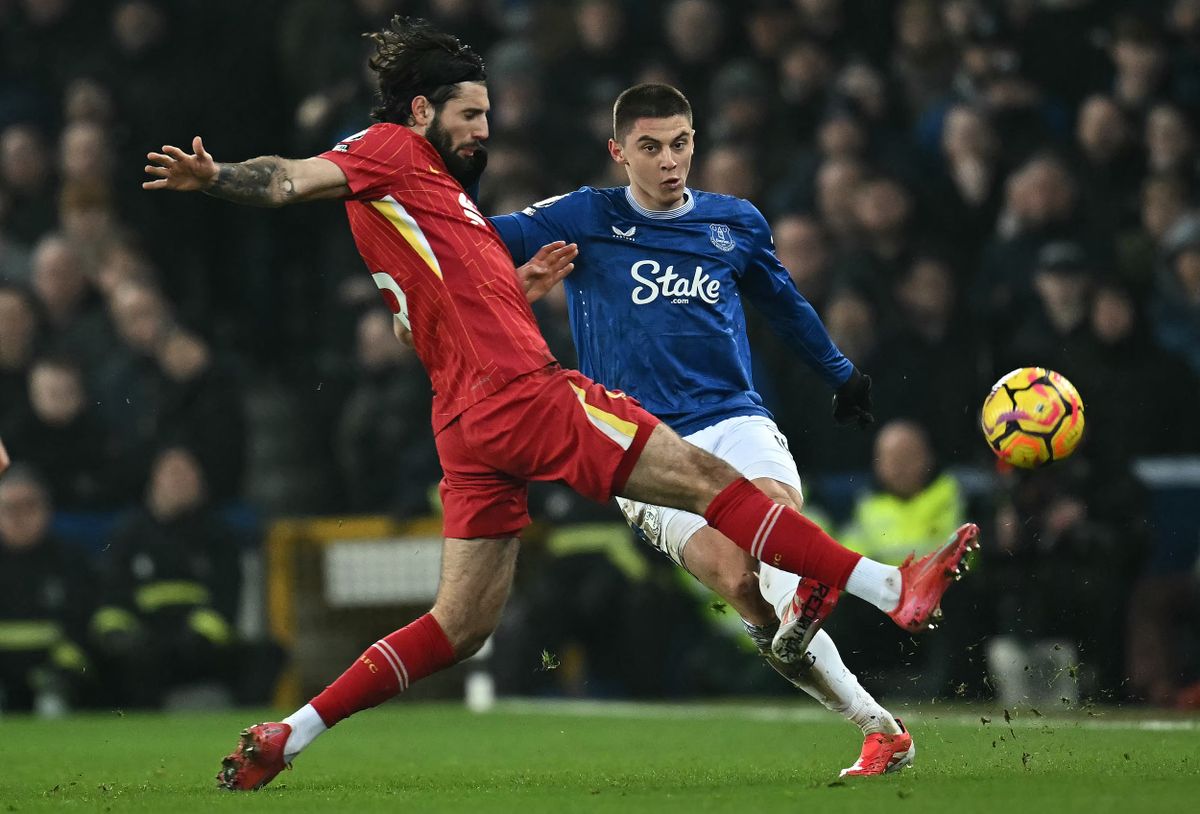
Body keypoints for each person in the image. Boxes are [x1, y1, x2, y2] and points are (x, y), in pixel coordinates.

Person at [142, 16, 977, 792]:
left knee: (460, 624)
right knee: (702, 479)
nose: (485, 131)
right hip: (519, 392)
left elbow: (418, 323)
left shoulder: (425, 199)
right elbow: (290, 180)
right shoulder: (388, 150)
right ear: (423, 109)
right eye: (471, 115)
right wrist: (219, 177)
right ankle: (886, 586)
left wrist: (516, 287)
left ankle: (291, 733)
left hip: (465, 422)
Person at [491, 82, 976, 775]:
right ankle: (879, 721)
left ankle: (843, 615)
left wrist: (842, 376)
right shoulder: (585, 215)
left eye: (681, 143)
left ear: (696, 141)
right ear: (618, 152)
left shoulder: (733, 222)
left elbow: (784, 305)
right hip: (640, 444)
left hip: (731, 417)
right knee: (741, 585)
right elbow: (480, 240)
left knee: (774, 530)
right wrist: (429, 255)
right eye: (650, 147)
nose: (669, 161)